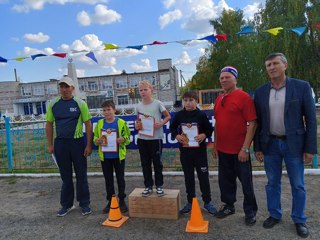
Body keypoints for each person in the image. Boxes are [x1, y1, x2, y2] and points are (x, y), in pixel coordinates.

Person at [254, 52, 317, 238]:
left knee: (298, 184)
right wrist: (257, 147)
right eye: (268, 65)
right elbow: (257, 122)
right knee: (272, 183)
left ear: (285, 65)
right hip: (270, 144)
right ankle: (274, 214)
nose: (271, 67)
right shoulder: (261, 91)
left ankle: (299, 219)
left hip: (294, 145)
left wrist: (310, 149)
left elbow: (311, 120)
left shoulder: (302, 87)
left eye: (275, 63)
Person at [212, 66, 258, 226]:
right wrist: (215, 144)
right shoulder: (219, 99)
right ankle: (228, 206)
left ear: (235, 79)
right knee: (225, 181)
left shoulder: (244, 97)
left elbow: (252, 123)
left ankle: (250, 211)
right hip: (223, 150)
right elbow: (217, 123)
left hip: (240, 151)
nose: (224, 80)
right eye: (222, 77)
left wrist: (245, 148)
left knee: (246, 182)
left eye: (227, 77)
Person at [45, 76, 93, 217]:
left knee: (81, 175)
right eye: (62, 87)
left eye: (67, 87)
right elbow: (49, 124)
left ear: (73, 88)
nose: (64, 89)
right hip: (61, 144)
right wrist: (50, 144)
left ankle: (84, 203)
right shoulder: (53, 104)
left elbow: (88, 124)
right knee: (65, 177)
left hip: (77, 143)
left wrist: (88, 145)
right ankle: (67, 205)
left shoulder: (80, 103)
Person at [170, 91, 217, 215]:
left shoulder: (201, 115)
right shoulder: (179, 115)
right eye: (185, 100)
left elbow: (209, 129)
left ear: (197, 101)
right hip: (185, 153)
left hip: (200, 153)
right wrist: (176, 136)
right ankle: (190, 202)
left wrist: (203, 134)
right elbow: (172, 128)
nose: (188, 103)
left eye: (191, 100)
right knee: (188, 177)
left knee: (203, 178)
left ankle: (207, 202)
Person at [135, 80, 171, 196]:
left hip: (155, 139)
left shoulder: (157, 103)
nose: (143, 92)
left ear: (151, 90)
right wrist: (137, 125)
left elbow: (168, 116)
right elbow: (138, 121)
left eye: (145, 89)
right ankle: (148, 186)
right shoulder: (138, 106)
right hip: (142, 139)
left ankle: (159, 186)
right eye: (141, 90)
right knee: (145, 163)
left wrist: (161, 123)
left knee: (157, 163)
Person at [93, 100, 131, 213]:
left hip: (118, 156)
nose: (106, 112)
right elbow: (95, 138)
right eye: (104, 110)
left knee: (120, 179)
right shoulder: (99, 123)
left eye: (109, 109)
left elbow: (128, 138)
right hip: (105, 157)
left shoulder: (121, 122)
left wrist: (123, 140)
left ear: (114, 110)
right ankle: (110, 201)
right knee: (108, 180)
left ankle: (122, 200)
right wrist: (97, 140)